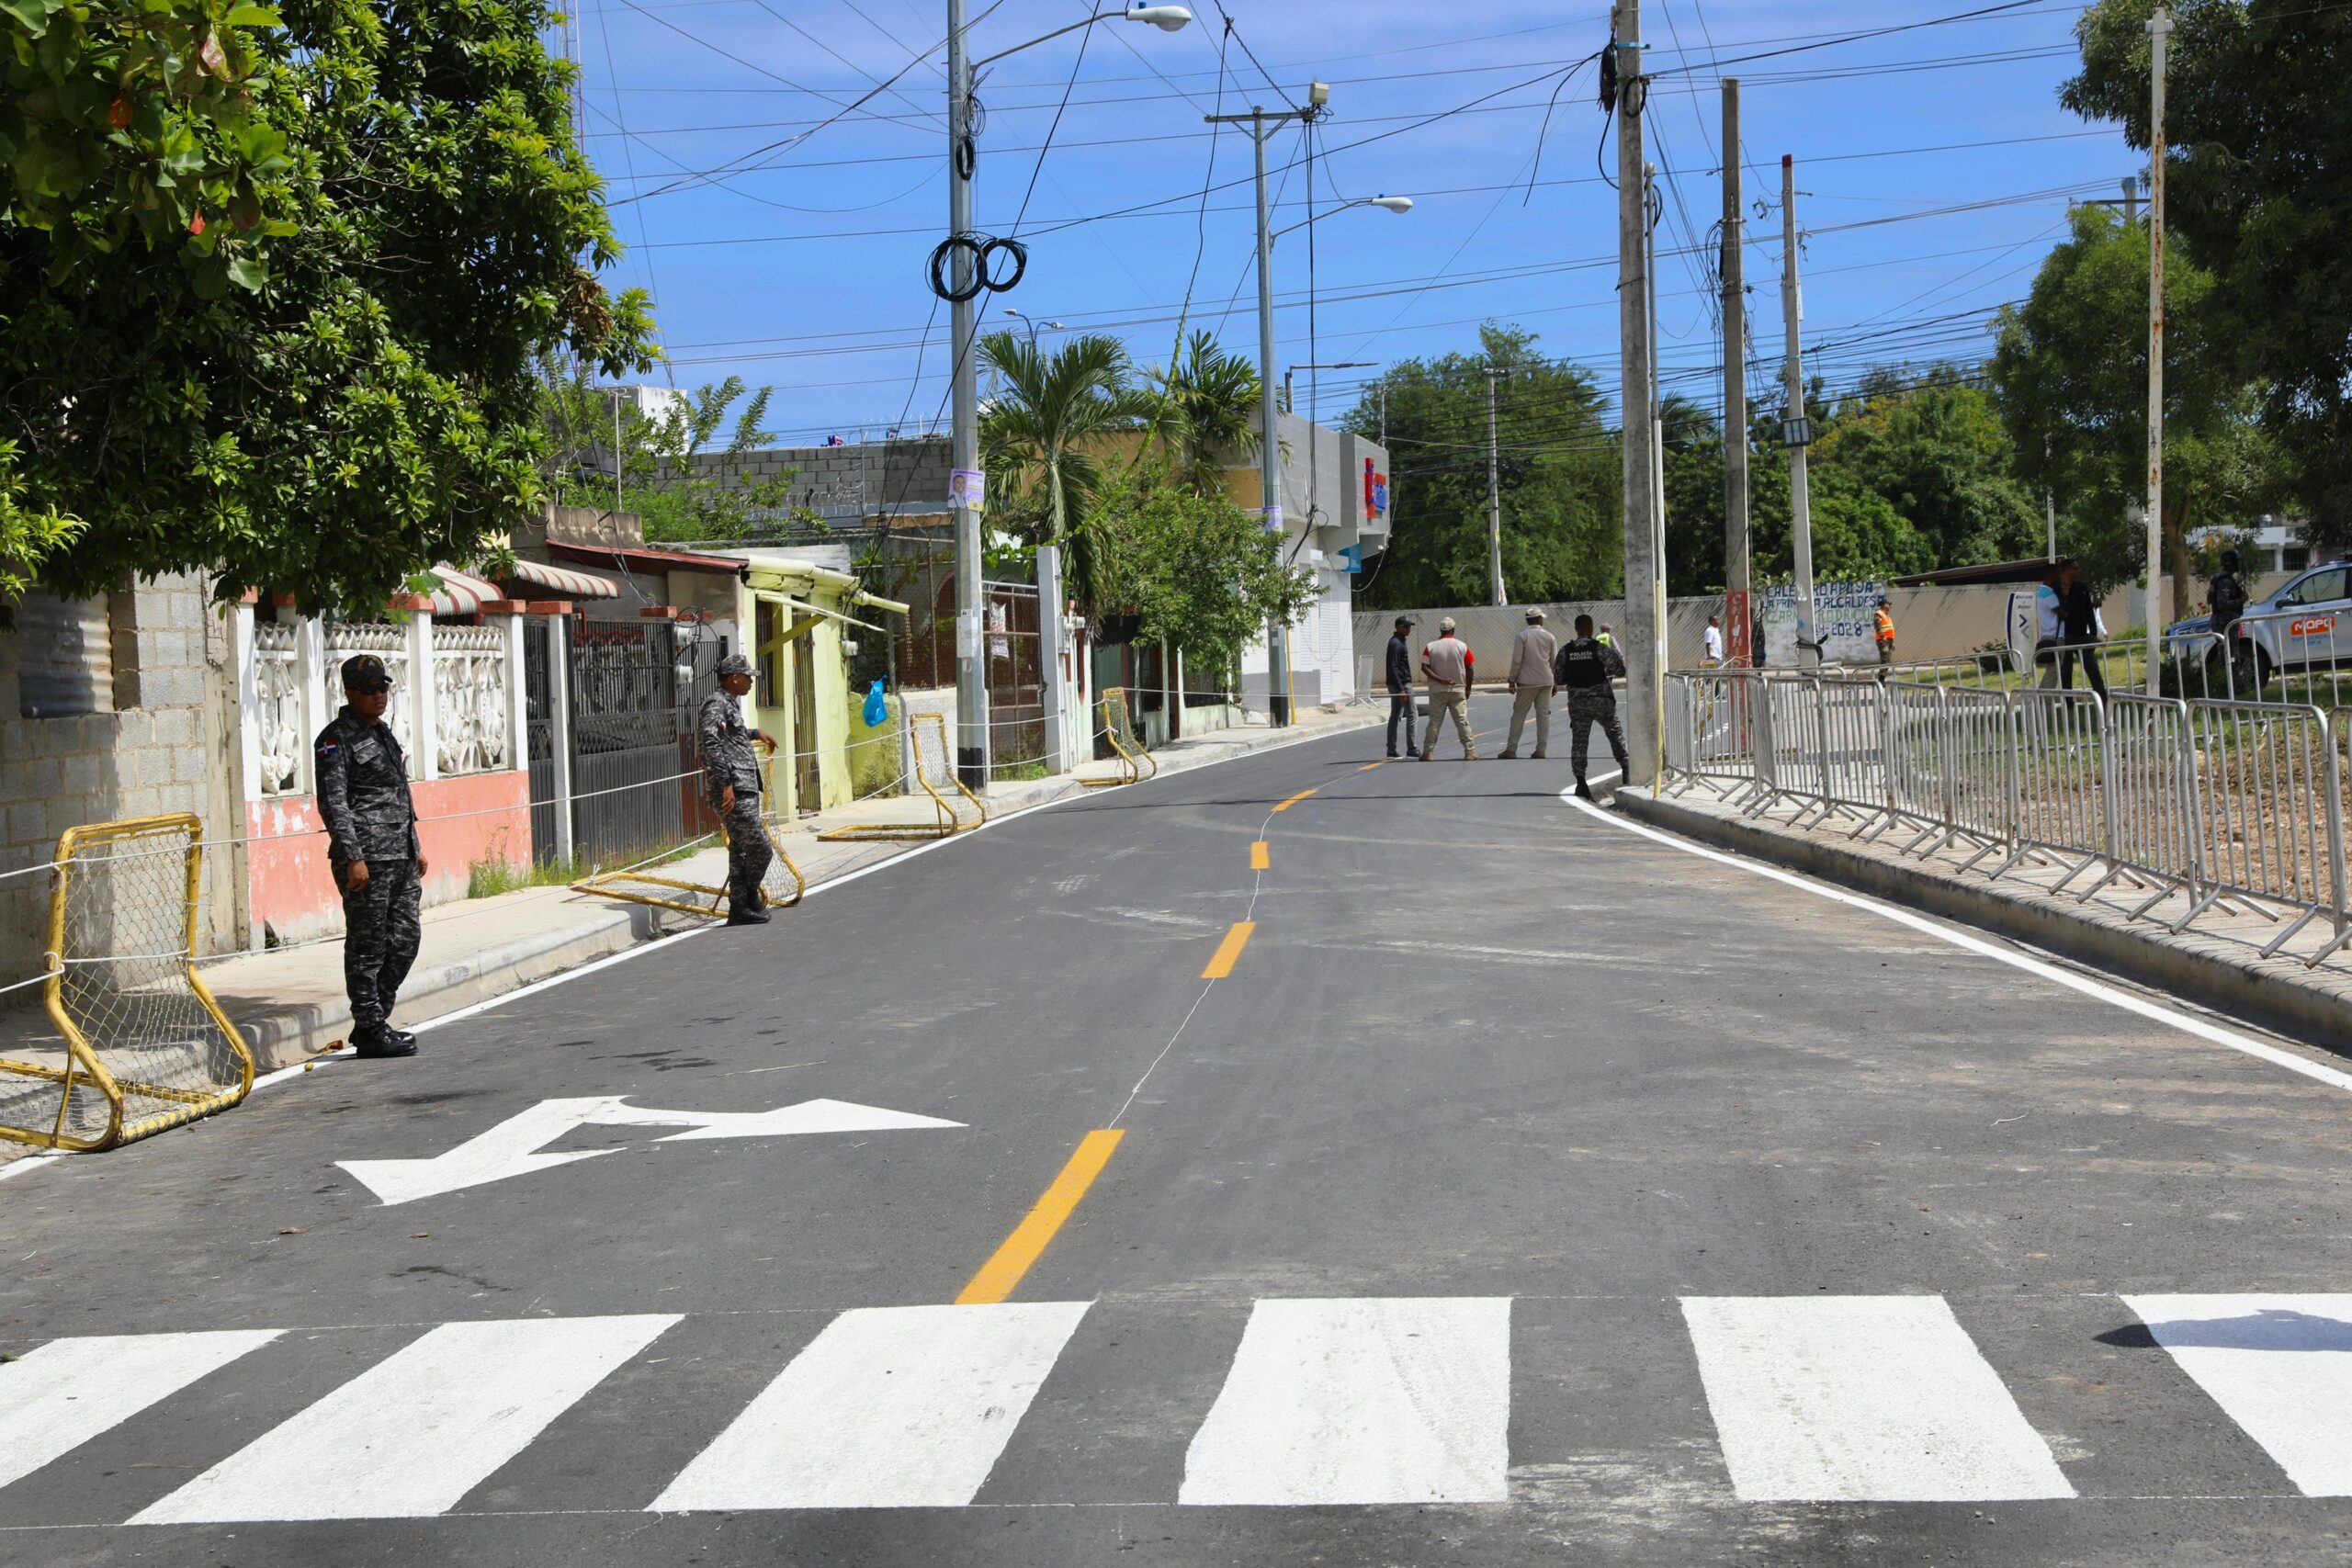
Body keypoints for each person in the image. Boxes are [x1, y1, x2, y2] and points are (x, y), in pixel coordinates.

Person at [314, 655, 424, 1058]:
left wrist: (416, 846)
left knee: (406, 939)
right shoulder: (334, 739)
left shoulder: (382, 733)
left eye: (383, 688)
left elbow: (398, 793)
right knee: (368, 945)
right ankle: (372, 1026)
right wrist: (352, 857)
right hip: (367, 859)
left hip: (400, 854)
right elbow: (334, 803)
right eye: (369, 690)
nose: (379, 696)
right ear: (349, 692)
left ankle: (372, 1021)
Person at [700, 653, 780, 926]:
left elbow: (731, 735)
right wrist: (726, 785)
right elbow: (711, 742)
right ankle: (748, 897)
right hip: (733, 788)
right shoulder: (716, 703)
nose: (751, 682)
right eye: (748, 677)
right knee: (761, 849)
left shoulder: (729, 704)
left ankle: (740, 908)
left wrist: (755, 733)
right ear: (735, 678)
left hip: (744, 786)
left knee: (741, 850)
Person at [1555, 613, 1629, 799]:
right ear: (1591, 628)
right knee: (1614, 733)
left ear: (1576, 629)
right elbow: (1620, 670)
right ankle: (1626, 769)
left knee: (1579, 740)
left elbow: (1559, 679)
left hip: (1578, 703)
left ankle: (1581, 781)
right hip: (1601, 700)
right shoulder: (1599, 648)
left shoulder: (1565, 651)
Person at [1498, 606, 1558, 759]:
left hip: (1527, 682)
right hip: (1546, 680)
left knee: (1519, 715)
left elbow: (1517, 660)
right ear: (1538, 619)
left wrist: (1512, 679)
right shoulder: (1550, 636)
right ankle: (1541, 750)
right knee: (1543, 715)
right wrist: (1555, 682)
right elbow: (1554, 662)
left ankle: (1511, 749)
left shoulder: (1522, 636)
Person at [1419, 616, 1478, 761]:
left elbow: (1424, 667)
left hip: (1437, 690)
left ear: (1441, 630)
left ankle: (1428, 752)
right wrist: (1468, 688)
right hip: (1457, 689)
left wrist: (1441, 680)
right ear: (1453, 630)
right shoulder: (1462, 646)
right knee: (1462, 721)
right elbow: (1470, 668)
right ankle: (1469, 751)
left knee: (1434, 721)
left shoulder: (1430, 647)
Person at [2055, 557, 2108, 697]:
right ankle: (2068, 702)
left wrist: (2093, 632)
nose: (2078, 571)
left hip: (2082, 635)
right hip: (2065, 635)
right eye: (2075, 568)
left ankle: (2103, 699)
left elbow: (2089, 611)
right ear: (2066, 570)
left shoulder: (2081, 588)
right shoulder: (2057, 589)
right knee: (2066, 671)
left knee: (2092, 668)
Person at [1383, 615, 1419, 759]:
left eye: (1409, 626)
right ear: (1399, 628)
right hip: (1401, 683)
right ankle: (1412, 748)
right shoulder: (1396, 643)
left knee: (1396, 714)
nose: (1409, 629)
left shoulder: (1399, 641)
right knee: (1412, 714)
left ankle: (1391, 749)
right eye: (1406, 626)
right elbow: (1393, 667)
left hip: (1397, 683)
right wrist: (1401, 689)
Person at [2034, 563, 2065, 688]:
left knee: (2051, 669)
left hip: (2045, 635)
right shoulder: (2050, 595)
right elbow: (2062, 614)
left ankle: (2040, 695)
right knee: (2054, 670)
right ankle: (2046, 697)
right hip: (2055, 636)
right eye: (2058, 574)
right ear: (2051, 574)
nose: (2060, 577)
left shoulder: (2040, 592)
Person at [1872, 598, 1896, 666]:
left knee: (1887, 660)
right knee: (1884, 660)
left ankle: (1884, 673)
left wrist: (1892, 642)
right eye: (1888, 604)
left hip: (1889, 640)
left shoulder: (1887, 616)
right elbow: (1878, 627)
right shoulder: (1879, 614)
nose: (1890, 606)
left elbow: (1890, 630)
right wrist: (1883, 637)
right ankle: (1882, 673)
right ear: (1884, 605)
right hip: (1883, 640)